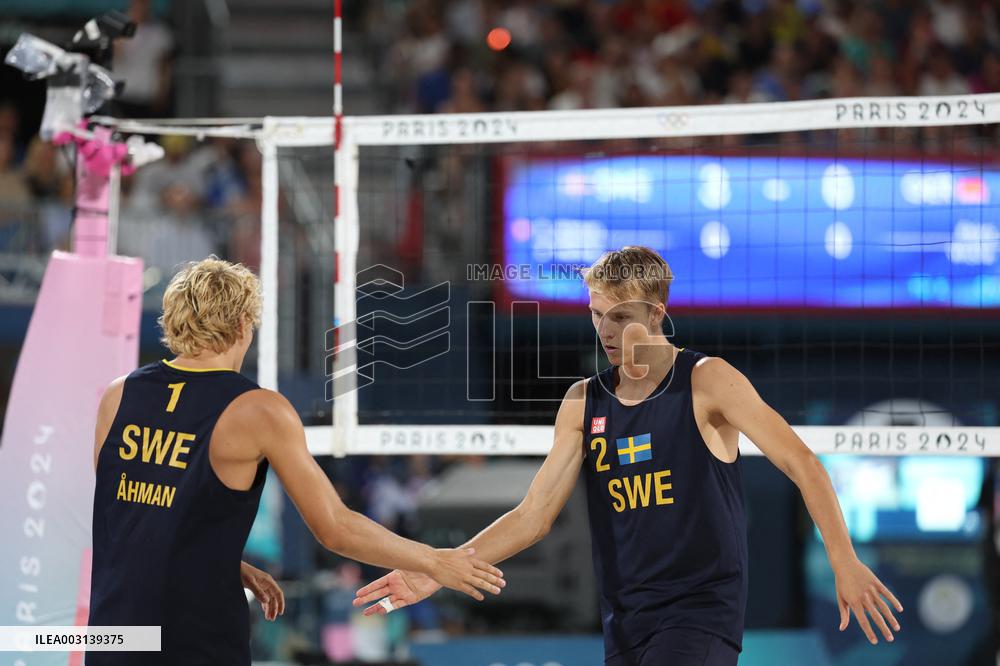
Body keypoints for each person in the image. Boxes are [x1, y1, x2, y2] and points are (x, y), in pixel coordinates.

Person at [353, 246, 903, 665]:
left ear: (656, 312)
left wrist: (843, 560)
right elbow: (534, 516)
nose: (604, 330)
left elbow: (803, 463)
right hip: (624, 618)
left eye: (618, 317)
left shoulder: (708, 380)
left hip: (700, 611)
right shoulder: (582, 400)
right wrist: (437, 569)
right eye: (596, 314)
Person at [88, 257, 504, 665]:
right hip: (194, 639)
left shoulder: (119, 394)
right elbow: (334, 528)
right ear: (242, 326)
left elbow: (134, 516)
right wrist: (435, 561)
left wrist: (224, 561)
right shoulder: (258, 410)